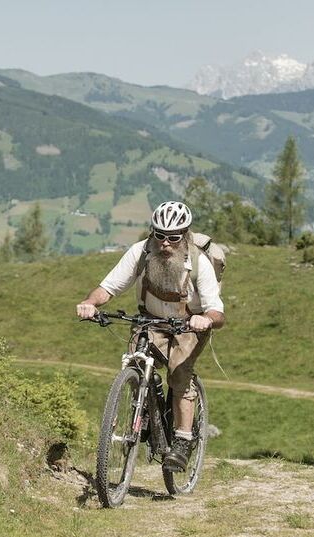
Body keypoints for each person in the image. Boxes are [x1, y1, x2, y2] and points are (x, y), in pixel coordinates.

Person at [76, 201, 225, 472]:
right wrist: (90, 303)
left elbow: (217, 311)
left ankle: (182, 439)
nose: (165, 243)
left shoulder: (198, 261)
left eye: (173, 237)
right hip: (150, 322)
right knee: (135, 361)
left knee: (179, 374)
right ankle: (144, 413)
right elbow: (109, 287)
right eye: (159, 235)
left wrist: (205, 319)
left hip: (189, 327)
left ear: (186, 235)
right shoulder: (141, 252)